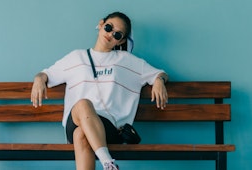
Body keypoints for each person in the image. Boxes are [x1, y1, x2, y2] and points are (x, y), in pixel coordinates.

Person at [31, 11, 168, 170]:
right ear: (101, 24)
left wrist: (159, 80)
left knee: (81, 134)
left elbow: (160, 73)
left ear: (121, 40)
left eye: (117, 34)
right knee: (83, 104)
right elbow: (47, 73)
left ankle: (108, 163)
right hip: (75, 120)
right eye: (108, 27)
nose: (110, 34)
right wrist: (39, 78)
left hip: (109, 128)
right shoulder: (77, 57)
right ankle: (108, 163)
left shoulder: (126, 61)